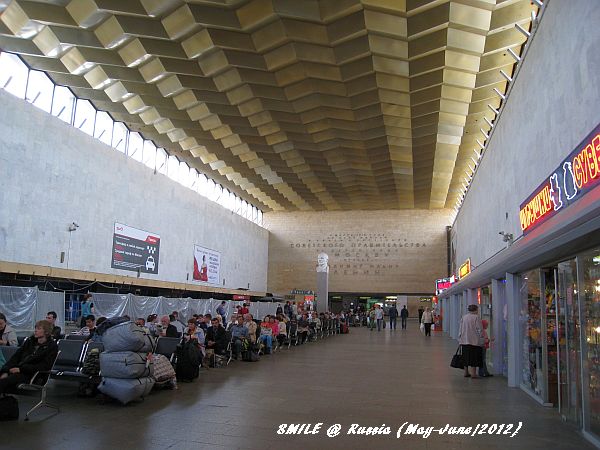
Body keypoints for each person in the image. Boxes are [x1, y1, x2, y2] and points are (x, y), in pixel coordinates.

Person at [0, 320, 58, 394]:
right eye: (35, 328)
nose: (35, 330)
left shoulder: (52, 346)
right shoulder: (30, 341)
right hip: (18, 370)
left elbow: (44, 366)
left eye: (39, 329)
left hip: (32, 374)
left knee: (5, 381)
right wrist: (6, 370)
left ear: (46, 332)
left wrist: (21, 369)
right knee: (4, 378)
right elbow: (16, 357)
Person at [458, 304, 484, 379]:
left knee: (465, 356)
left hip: (464, 340)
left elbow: (460, 328)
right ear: (475, 310)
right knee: (474, 357)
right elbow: (479, 329)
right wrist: (482, 337)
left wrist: (460, 338)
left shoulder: (464, 317)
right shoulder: (476, 317)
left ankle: (466, 372)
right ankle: (473, 374)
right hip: (474, 340)